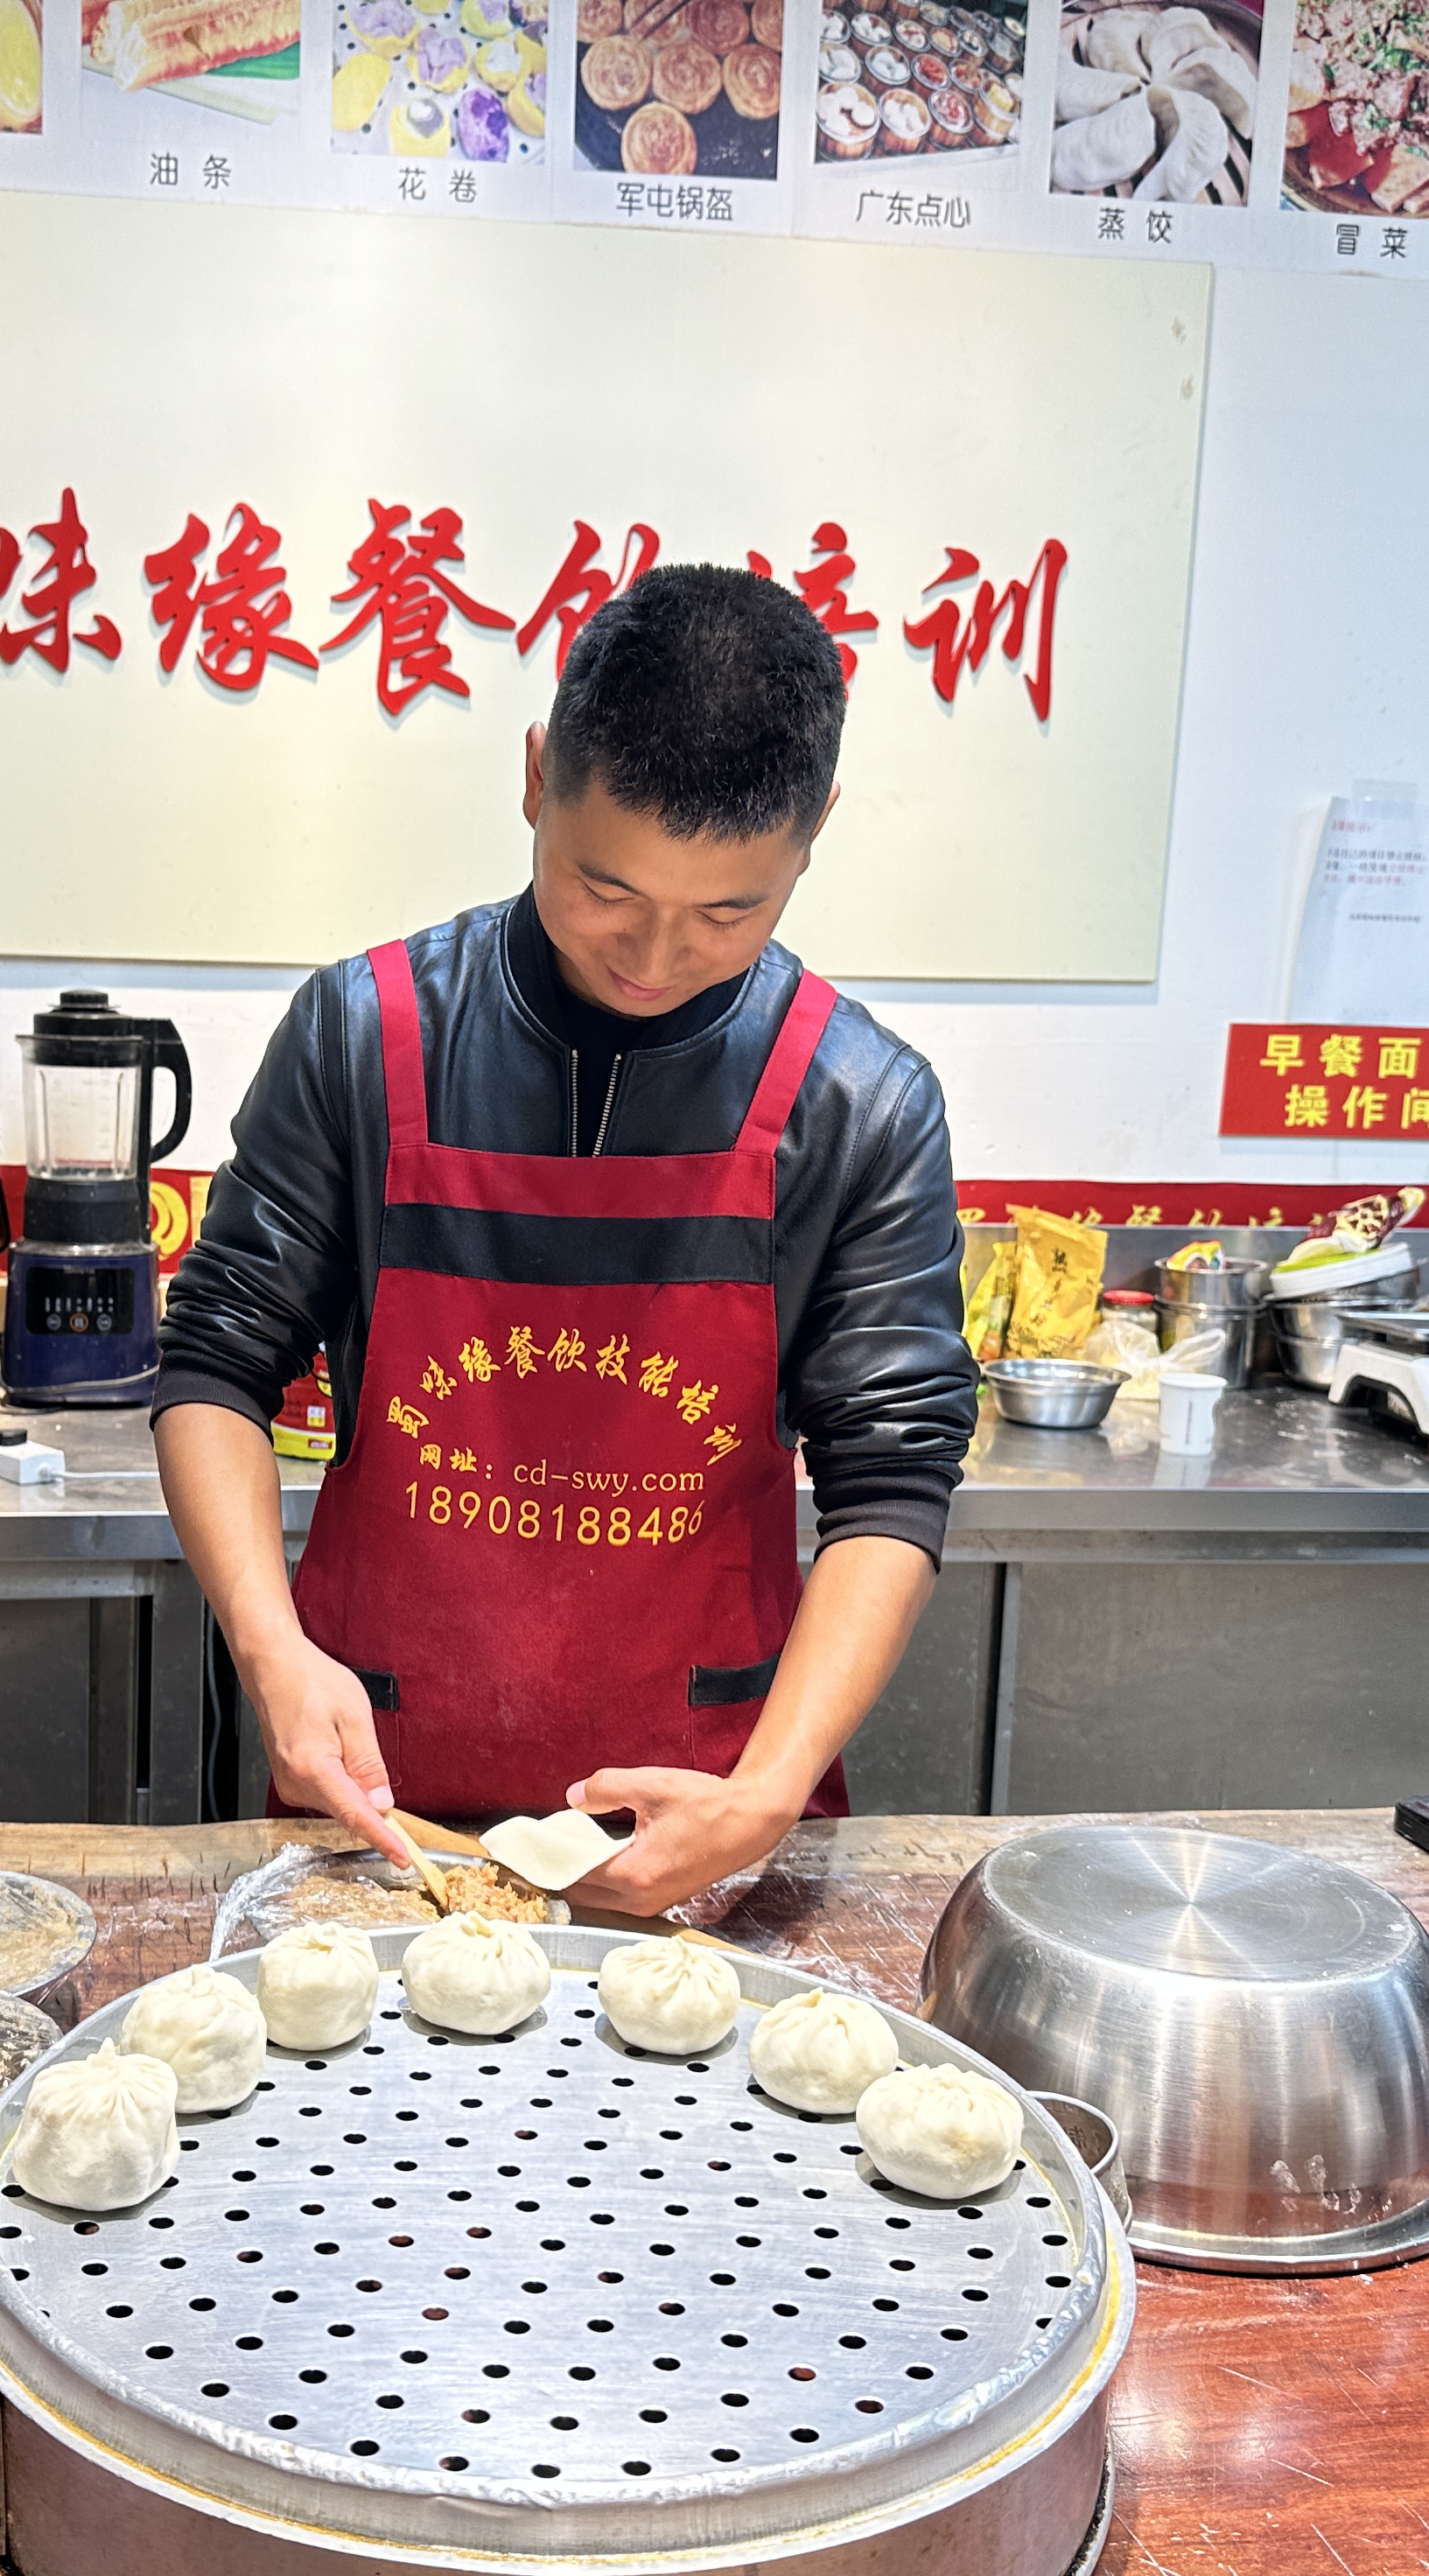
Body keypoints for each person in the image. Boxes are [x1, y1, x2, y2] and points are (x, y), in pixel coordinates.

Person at [151, 565, 977, 1917]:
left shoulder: (860, 1102)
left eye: (730, 912)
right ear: (539, 777)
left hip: (701, 1813)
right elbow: (215, 1366)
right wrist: (270, 1651)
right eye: (605, 888)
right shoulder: (367, 1036)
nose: (652, 957)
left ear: (817, 830)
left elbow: (892, 1474)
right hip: (383, 1802)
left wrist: (767, 1792)